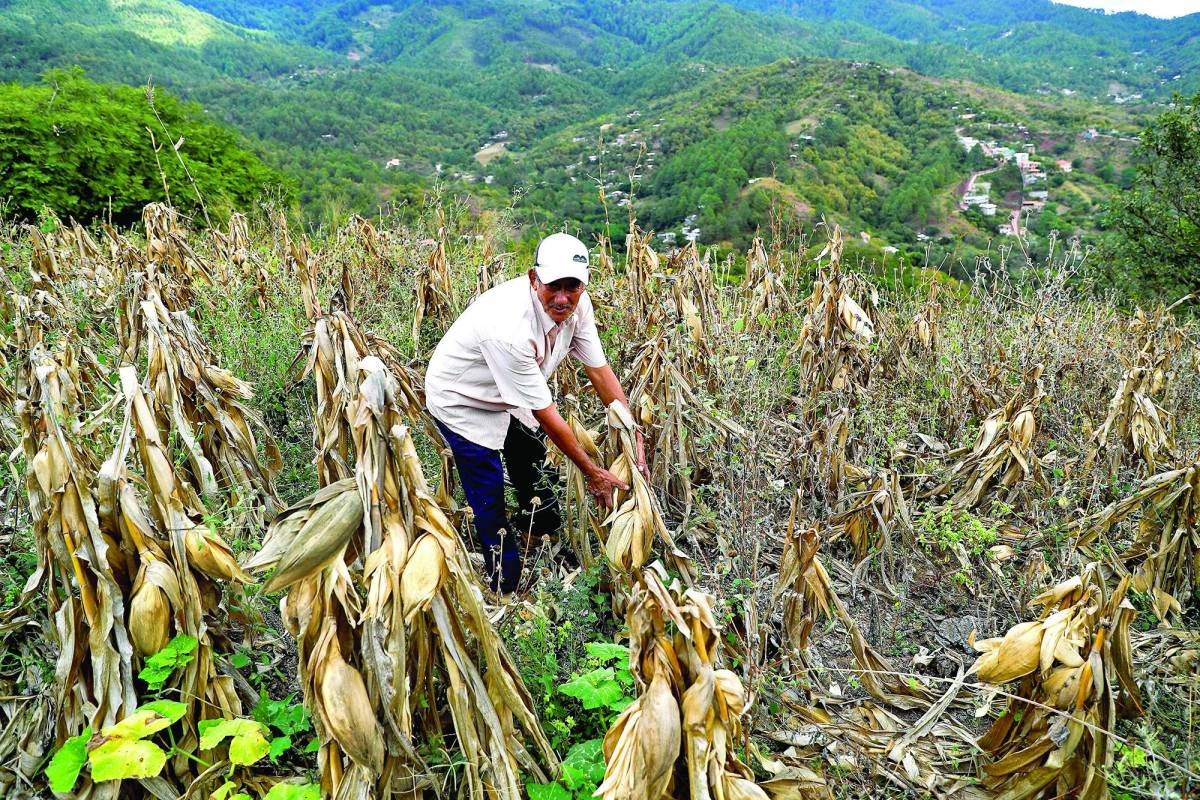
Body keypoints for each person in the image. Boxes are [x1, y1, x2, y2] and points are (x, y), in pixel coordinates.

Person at [424, 232, 646, 593]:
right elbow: (545, 412)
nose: (562, 298)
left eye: (571, 287)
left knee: (529, 455)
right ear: (533, 279)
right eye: (552, 286)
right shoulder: (510, 329)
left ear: (584, 284)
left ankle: (538, 533)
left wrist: (632, 432)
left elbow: (600, 372)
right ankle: (504, 585)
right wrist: (592, 472)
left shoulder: (578, 305)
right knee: (488, 492)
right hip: (463, 398)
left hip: (510, 392)